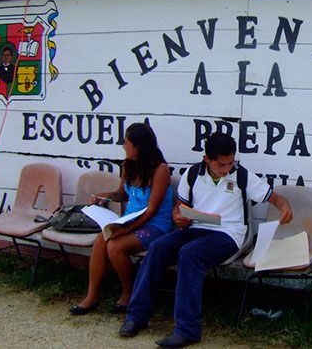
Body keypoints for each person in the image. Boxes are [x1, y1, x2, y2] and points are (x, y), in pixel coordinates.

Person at [118, 132, 293, 348]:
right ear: (207, 159)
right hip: (197, 228)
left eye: (231, 162)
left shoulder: (241, 176)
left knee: (190, 254)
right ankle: (136, 316)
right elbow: (179, 207)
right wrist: (178, 217)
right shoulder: (192, 174)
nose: (227, 168)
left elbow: (276, 198)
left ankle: (187, 330)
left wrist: (284, 206)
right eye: (221, 164)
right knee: (158, 247)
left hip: (229, 235)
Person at [69, 122, 174, 315]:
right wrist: (106, 196)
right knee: (101, 241)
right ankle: (91, 296)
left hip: (154, 225)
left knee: (115, 246)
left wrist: (126, 230)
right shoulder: (128, 165)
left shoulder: (160, 170)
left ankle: (129, 293)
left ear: (138, 146)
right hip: (128, 220)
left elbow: (151, 210)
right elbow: (122, 194)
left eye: (126, 142)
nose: (124, 146)